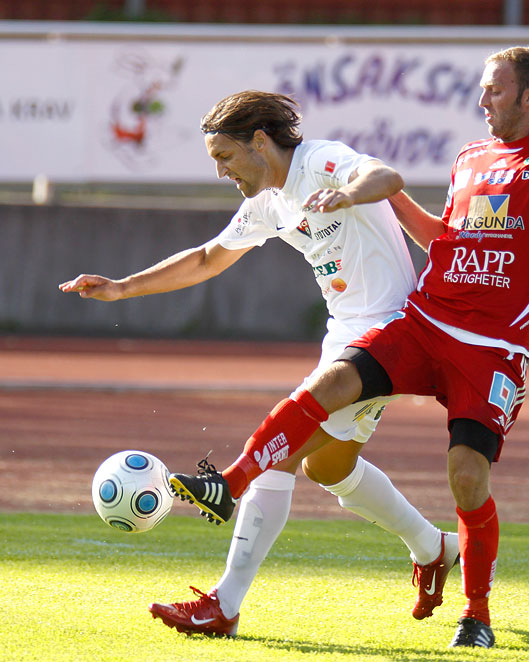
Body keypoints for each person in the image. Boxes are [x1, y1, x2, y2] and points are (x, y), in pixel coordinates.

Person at [166, 11, 529, 650]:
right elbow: (445, 237)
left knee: (466, 474)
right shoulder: (471, 159)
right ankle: (229, 483)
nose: (481, 99)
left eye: (493, 88)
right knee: (334, 382)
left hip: (493, 348)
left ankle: (476, 613)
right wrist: (375, 199)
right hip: (426, 321)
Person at [59, 91, 460, 636]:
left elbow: (386, 179)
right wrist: (122, 287)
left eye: (224, 157)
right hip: (344, 332)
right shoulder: (268, 201)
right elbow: (207, 258)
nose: (222, 171)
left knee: (280, 456)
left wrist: (344, 194)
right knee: (328, 468)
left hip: (389, 333)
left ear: (261, 141)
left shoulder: (322, 161)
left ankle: (223, 605)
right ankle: (434, 547)